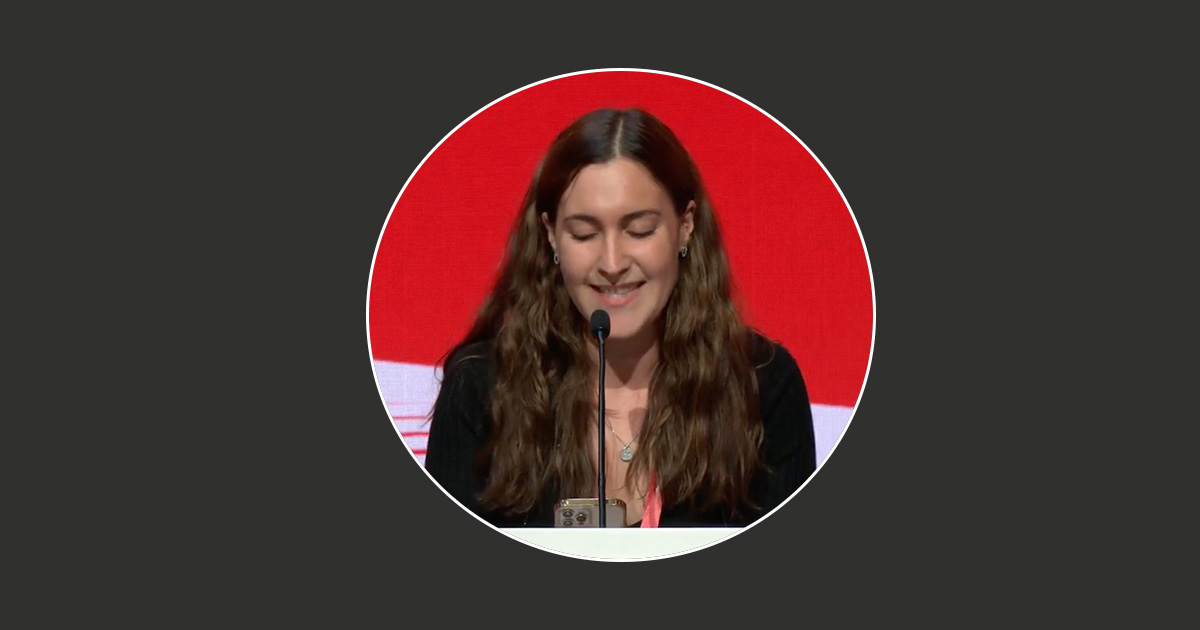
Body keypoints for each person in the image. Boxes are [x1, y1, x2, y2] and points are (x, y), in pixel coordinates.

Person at [424, 108, 815, 527]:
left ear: (685, 226)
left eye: (640, 230)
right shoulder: (482, 388)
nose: (612, 263)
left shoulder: (761, 386)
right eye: (584, 234)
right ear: (551, 235)